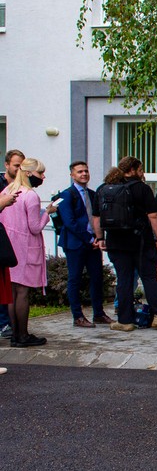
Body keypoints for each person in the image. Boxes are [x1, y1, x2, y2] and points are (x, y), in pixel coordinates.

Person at [96, 156, 157, 332]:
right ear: (132, 170)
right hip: (141, 241)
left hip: (115, 242)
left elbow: (96, 216)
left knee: (124, 280)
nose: (142, 173)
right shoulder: (142, 189)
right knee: (149, 278)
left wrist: (100, 238)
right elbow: (153, 215)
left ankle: (125, 321)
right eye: (140, 169)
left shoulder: (104, 189)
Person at [0, 158, 57, 347]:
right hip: (25, 248)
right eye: (40, 173)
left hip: (9, 246)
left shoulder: (7, 191)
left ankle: (15, 335)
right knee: (22, 292)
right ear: (29, 173)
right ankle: (23, 335)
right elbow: (34, 227)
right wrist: (47, 213)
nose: (43, 177)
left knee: (12, 293)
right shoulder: (30, 195)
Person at [57, 161, 114, 328]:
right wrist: (89, 239)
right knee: (75, 279)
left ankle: (99, 313)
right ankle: (77, 316)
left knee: (97, 277)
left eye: (86, 171)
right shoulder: (67, 195)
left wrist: (98, 238)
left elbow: (97, 218)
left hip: (93, 243)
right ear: (72, 175)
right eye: (80, 172)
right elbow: (70, 222)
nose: (84, 174)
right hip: (76, 243)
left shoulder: (92, 193)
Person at [0, 149, 24, 340]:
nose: (19, 169)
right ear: (7, 165)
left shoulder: (23, 187)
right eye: (17, 165)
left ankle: (7, 322)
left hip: (10, 243)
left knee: (7, 288)